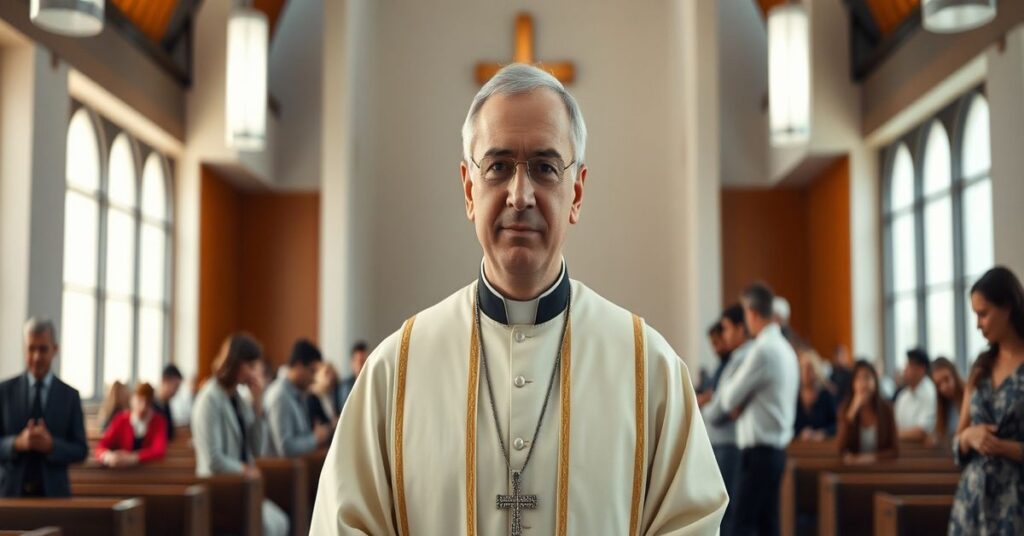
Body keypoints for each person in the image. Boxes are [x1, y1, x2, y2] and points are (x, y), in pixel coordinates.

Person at [311, 63, 727, 535]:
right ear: (470, 189)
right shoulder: (395, 372)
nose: (520, 195)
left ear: (577, 191)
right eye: (499, 167)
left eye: (546, 168)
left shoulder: (649, 371)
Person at [718, 283, 799, 536]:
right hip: (775, 451)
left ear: (752, 312)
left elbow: (728, 399)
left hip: (758, 454)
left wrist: (740, 400)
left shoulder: (762, 350)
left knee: (740, 526)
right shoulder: (786, 348)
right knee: (768, 526)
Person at [949, 267, 1024, 535]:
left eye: (983, 314)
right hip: (972, 500)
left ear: (1007, 308)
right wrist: (969, 437)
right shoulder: (980, 367)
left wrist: (1002, 447)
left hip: (1015, 502)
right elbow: (957, 441)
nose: (978, 324)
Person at [193, 333, 289, 536]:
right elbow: (213, 460)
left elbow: (255, 449)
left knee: (280, 521)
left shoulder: (237, 397)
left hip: (240, 489)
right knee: (270, 528)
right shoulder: (210, 399)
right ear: (238, 364)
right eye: (252, 366)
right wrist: (245, 470)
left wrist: (258, 402)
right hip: (219, 490)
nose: (256, 373)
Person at [0, 318, 87, 496]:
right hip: (10, 493)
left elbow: (81, 450)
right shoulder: (4, 391)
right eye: (31, 349)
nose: (37, 357)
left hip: (55, 494)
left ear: (55, 349)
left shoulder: (70, 396)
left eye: (43, 349)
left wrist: (52, 446)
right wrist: (17, 443)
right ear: (24, 350)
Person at [701, 303, 752, 536]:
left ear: (741, 329)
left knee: (726, 510)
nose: (724, 336)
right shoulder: (736, 358)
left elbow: (724, 404)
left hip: (729, 443)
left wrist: (710, 409)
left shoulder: (743, 357)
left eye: (727, 329)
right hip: (721, 441)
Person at [264, 339, 331, 457]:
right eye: (312, 371)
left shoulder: (298, 393)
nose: (314, 378)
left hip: (295, 470)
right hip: (280, 473)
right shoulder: (280, 396)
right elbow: (286, 448)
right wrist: (316, 438)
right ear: (299, 366)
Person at [836, 360, 898, 464]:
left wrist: (868, 458)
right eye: (858, 378)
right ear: (853, 383)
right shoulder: (845, 408)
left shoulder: (886, 409)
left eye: (867, 377)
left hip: (882, 469)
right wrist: (852, 411)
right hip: (853, 471)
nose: (863, 383)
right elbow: (840, 449)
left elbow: (895, 450)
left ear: (875, 382)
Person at [94, 383, 168, 467]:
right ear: (132, 400)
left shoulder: (159, 421)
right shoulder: (121, 420)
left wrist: (133, 457)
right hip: (121, 473)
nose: (143, 406)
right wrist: (108, 456)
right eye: (140, 400)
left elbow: (159, 450)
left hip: (148, 475)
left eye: (147, 402)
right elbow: (101, 446)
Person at [894, 348, 937, 441]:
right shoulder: (903, 396)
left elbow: (922, 432)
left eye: (908, 365)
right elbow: (894, 428)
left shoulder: (930, 392)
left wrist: (896, 433)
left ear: (921, 369)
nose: (904, 370)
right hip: (903, 450)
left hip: (925, 453)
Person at [794, 349, 838, 441]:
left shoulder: (826, 395)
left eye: (809, 368)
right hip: (797, 448)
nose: (805, 372)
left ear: (816, 370)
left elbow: (836, 425)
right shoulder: (794, 397)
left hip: (823, 448)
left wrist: (823, 433)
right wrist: (800, 433)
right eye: (802, 368)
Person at [929, 357, 963, 447]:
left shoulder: (969, 395)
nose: (944, 387)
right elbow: (939, 433)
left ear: (954, 375)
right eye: (938, 384)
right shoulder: (943, 405)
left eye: (946, 379)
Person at [154, 364, 183, 441]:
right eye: (175, 386)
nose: (176, 391)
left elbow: (170, 434)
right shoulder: (149, 404)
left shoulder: (166, 404)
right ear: (164, 380)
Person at [308, 361, 341, 429]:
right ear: (317, 375)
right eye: (326, 373)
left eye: (332, 375)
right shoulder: (310, 397)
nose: (330, 377)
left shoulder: (332, 395)